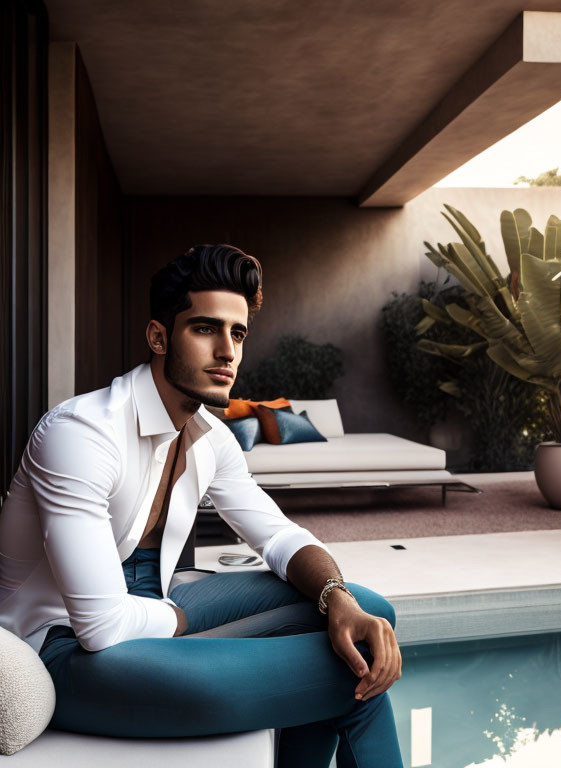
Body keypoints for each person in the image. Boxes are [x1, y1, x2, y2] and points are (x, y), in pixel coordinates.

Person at [0, 244, 404, 767]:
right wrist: (187, 620)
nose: (227, 351)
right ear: (159, 336)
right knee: (353, 669)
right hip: (65, 648)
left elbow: (278, 536)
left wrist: (338, 597)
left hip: (152, 617)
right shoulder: (81, 434)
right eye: (206, 328)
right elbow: (99, 625)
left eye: (237, 334)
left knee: (369, 613)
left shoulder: (210, 436)